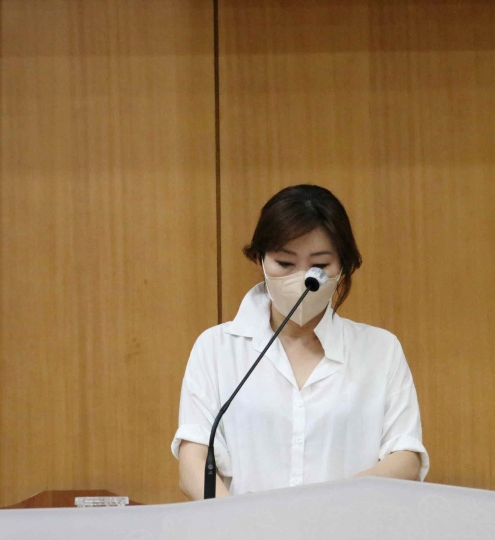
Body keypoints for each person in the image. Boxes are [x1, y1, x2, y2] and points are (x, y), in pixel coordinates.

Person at [171, 184, 429, 500]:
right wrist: (236, 521)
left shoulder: (380, 350)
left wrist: (335, 504)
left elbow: (406, 457)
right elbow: (193, 462)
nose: (304, 278)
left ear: (343, 266)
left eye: (320, 266)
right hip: (244, 525)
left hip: (348, 522)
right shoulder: (217, 348)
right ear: (260, 260)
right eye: (285, 263)